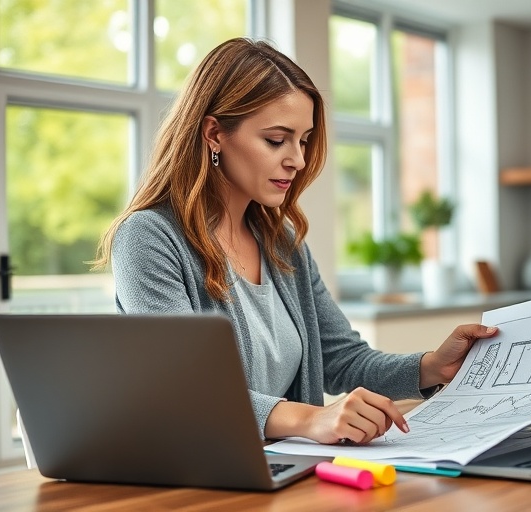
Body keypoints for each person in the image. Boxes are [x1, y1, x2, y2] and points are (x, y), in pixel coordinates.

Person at [93, 38, 498, 445]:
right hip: (200, 475)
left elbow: (341, 358)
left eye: (303, 140)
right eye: (275, 140)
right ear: (214, 133)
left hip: (285, 470)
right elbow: (184, 386)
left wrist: (432, 367)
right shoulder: (148, 238)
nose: (298, 160)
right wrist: (308, 420)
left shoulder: (281, 243)